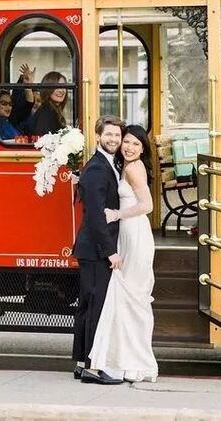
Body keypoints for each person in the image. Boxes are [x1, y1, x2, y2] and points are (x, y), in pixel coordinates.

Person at [90, 124, 158, 383]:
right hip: (129, 234)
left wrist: (117, 214)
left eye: (135, 144)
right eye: (126, 142)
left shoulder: (133, 168)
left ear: (143, 149)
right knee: (127, 299)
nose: (129, 147)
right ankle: (127, 360)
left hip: (136, 234)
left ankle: (134, 362)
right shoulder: (126, 166)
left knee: (131, 298)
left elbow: (148, 205)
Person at [71, 115, 124, 386]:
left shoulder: (105, 164)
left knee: (87, 306)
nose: (113, 139)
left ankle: (82, 363)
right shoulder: (96, 169)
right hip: (95, 250)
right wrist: (109, 251)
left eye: (117, 135)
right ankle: (93, 367)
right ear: (99, 136)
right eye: (109, 135)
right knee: (95, 308)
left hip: (91, 249)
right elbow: (94, 215)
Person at [28, 71, 69, 137]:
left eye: (63, 86)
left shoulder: (53, 110)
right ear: (47, 89)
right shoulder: (47, 111)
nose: (61, 90)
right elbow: (43, 139)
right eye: (56, 87)